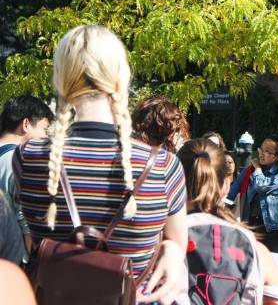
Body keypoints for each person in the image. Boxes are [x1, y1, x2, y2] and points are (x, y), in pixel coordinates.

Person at [13, 25, 188, 304]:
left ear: (60, 79)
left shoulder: (28, 156)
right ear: (121, 77)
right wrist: (173, 251)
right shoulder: (164, 166)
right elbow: (178, 242)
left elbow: (33, 242)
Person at [177, 138, 278, 301]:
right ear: (226, 185)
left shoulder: (160, 242)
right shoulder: (256, 250)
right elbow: (276, 300)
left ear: (175, 183)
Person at [0, 95, 53, 259]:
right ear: (26, 124)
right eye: (45, 129)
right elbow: (24, 218)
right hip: (13, 259)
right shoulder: (14, 161)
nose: (46, 137)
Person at [232, 137, 278, 253]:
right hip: (253, 224)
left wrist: (257, 169)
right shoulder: (250, 171)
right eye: (261, 149)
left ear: (277, 157)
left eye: (267, 151)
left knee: (274, 263)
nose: (262, 154)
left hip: (275, 229)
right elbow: (233, 191)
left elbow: (261, 187)